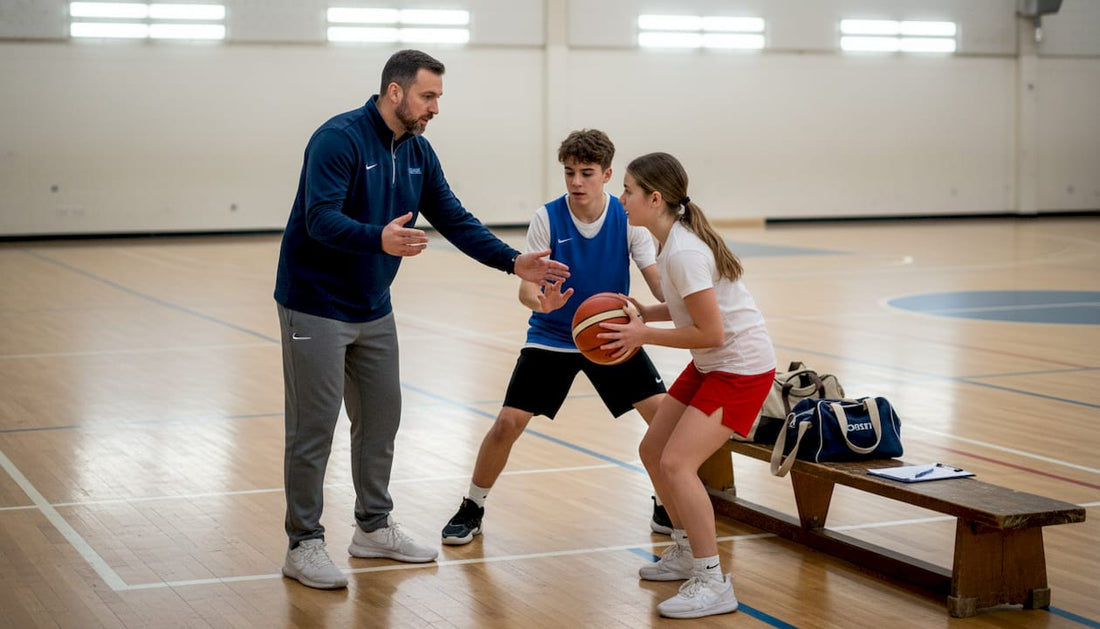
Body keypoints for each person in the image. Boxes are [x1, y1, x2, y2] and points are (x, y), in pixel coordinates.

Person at [273, 49, 570, 590]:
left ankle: (372, 528)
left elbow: (453, 216)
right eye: (428, 96)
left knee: (381, 419)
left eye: (437, 98)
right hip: (314, 302)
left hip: (373, 305)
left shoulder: (419, 153)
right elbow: (318, 220)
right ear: (395, 92)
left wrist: (513, 261)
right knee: (314, 428)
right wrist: (376, 238)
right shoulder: (338, 139)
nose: (435, 108)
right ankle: (304, 543)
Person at [440, 129, 672, 546]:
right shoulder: (548, 217)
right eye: (569, 173)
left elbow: (656, 282)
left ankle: (665, 501)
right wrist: (538, 303)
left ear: (607, 175)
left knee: (664, 418)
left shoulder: (628, 218)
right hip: (552, 335)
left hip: (611, 334)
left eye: (586, 173)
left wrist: (686, 293)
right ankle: (472, 505)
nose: (576, 182)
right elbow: (527, 286)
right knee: (509, 422)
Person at [601, 152, 776, 619]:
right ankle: (682, 549)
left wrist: (643, 334)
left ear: (654, 199)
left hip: (740, 369)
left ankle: (712, 580)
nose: (622, 198)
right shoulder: (669, 241)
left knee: (677, 464)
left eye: (630, 190)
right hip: (712, 364)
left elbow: (712, 332)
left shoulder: (683, 252)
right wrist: (645, 310)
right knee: (653, 449)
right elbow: (690, 314)